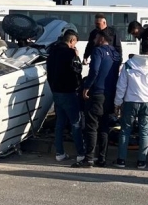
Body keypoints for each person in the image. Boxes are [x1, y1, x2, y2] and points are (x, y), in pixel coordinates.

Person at [73, 29, 121, 168]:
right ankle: (102, 158)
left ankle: (88, 158)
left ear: (101, 38)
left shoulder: (98, 51)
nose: (94, 40)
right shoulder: (116, 54)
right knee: (104, 126)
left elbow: (94, 70)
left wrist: (87, 86)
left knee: (92, 126)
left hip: (97, 93)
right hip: (110, 94)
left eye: (96, 37)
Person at [113, 40, 148, 169]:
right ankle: (141, 161)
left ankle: (121, 160)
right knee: (144, 132)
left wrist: (117, 103)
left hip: (130, 102)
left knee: (125, 131)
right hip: (147, 102)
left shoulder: (128, 64)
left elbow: (121, 86)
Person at [46, 29, 85, 163]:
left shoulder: (52, 51)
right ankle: (80, 153)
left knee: (60, 123)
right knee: (75, 123)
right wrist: (77, 56)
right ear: (71, 40)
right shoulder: (70, 53)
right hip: (69, 92)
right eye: (75, 43)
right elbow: (78, 70)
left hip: (56, 92)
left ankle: (59, 153)